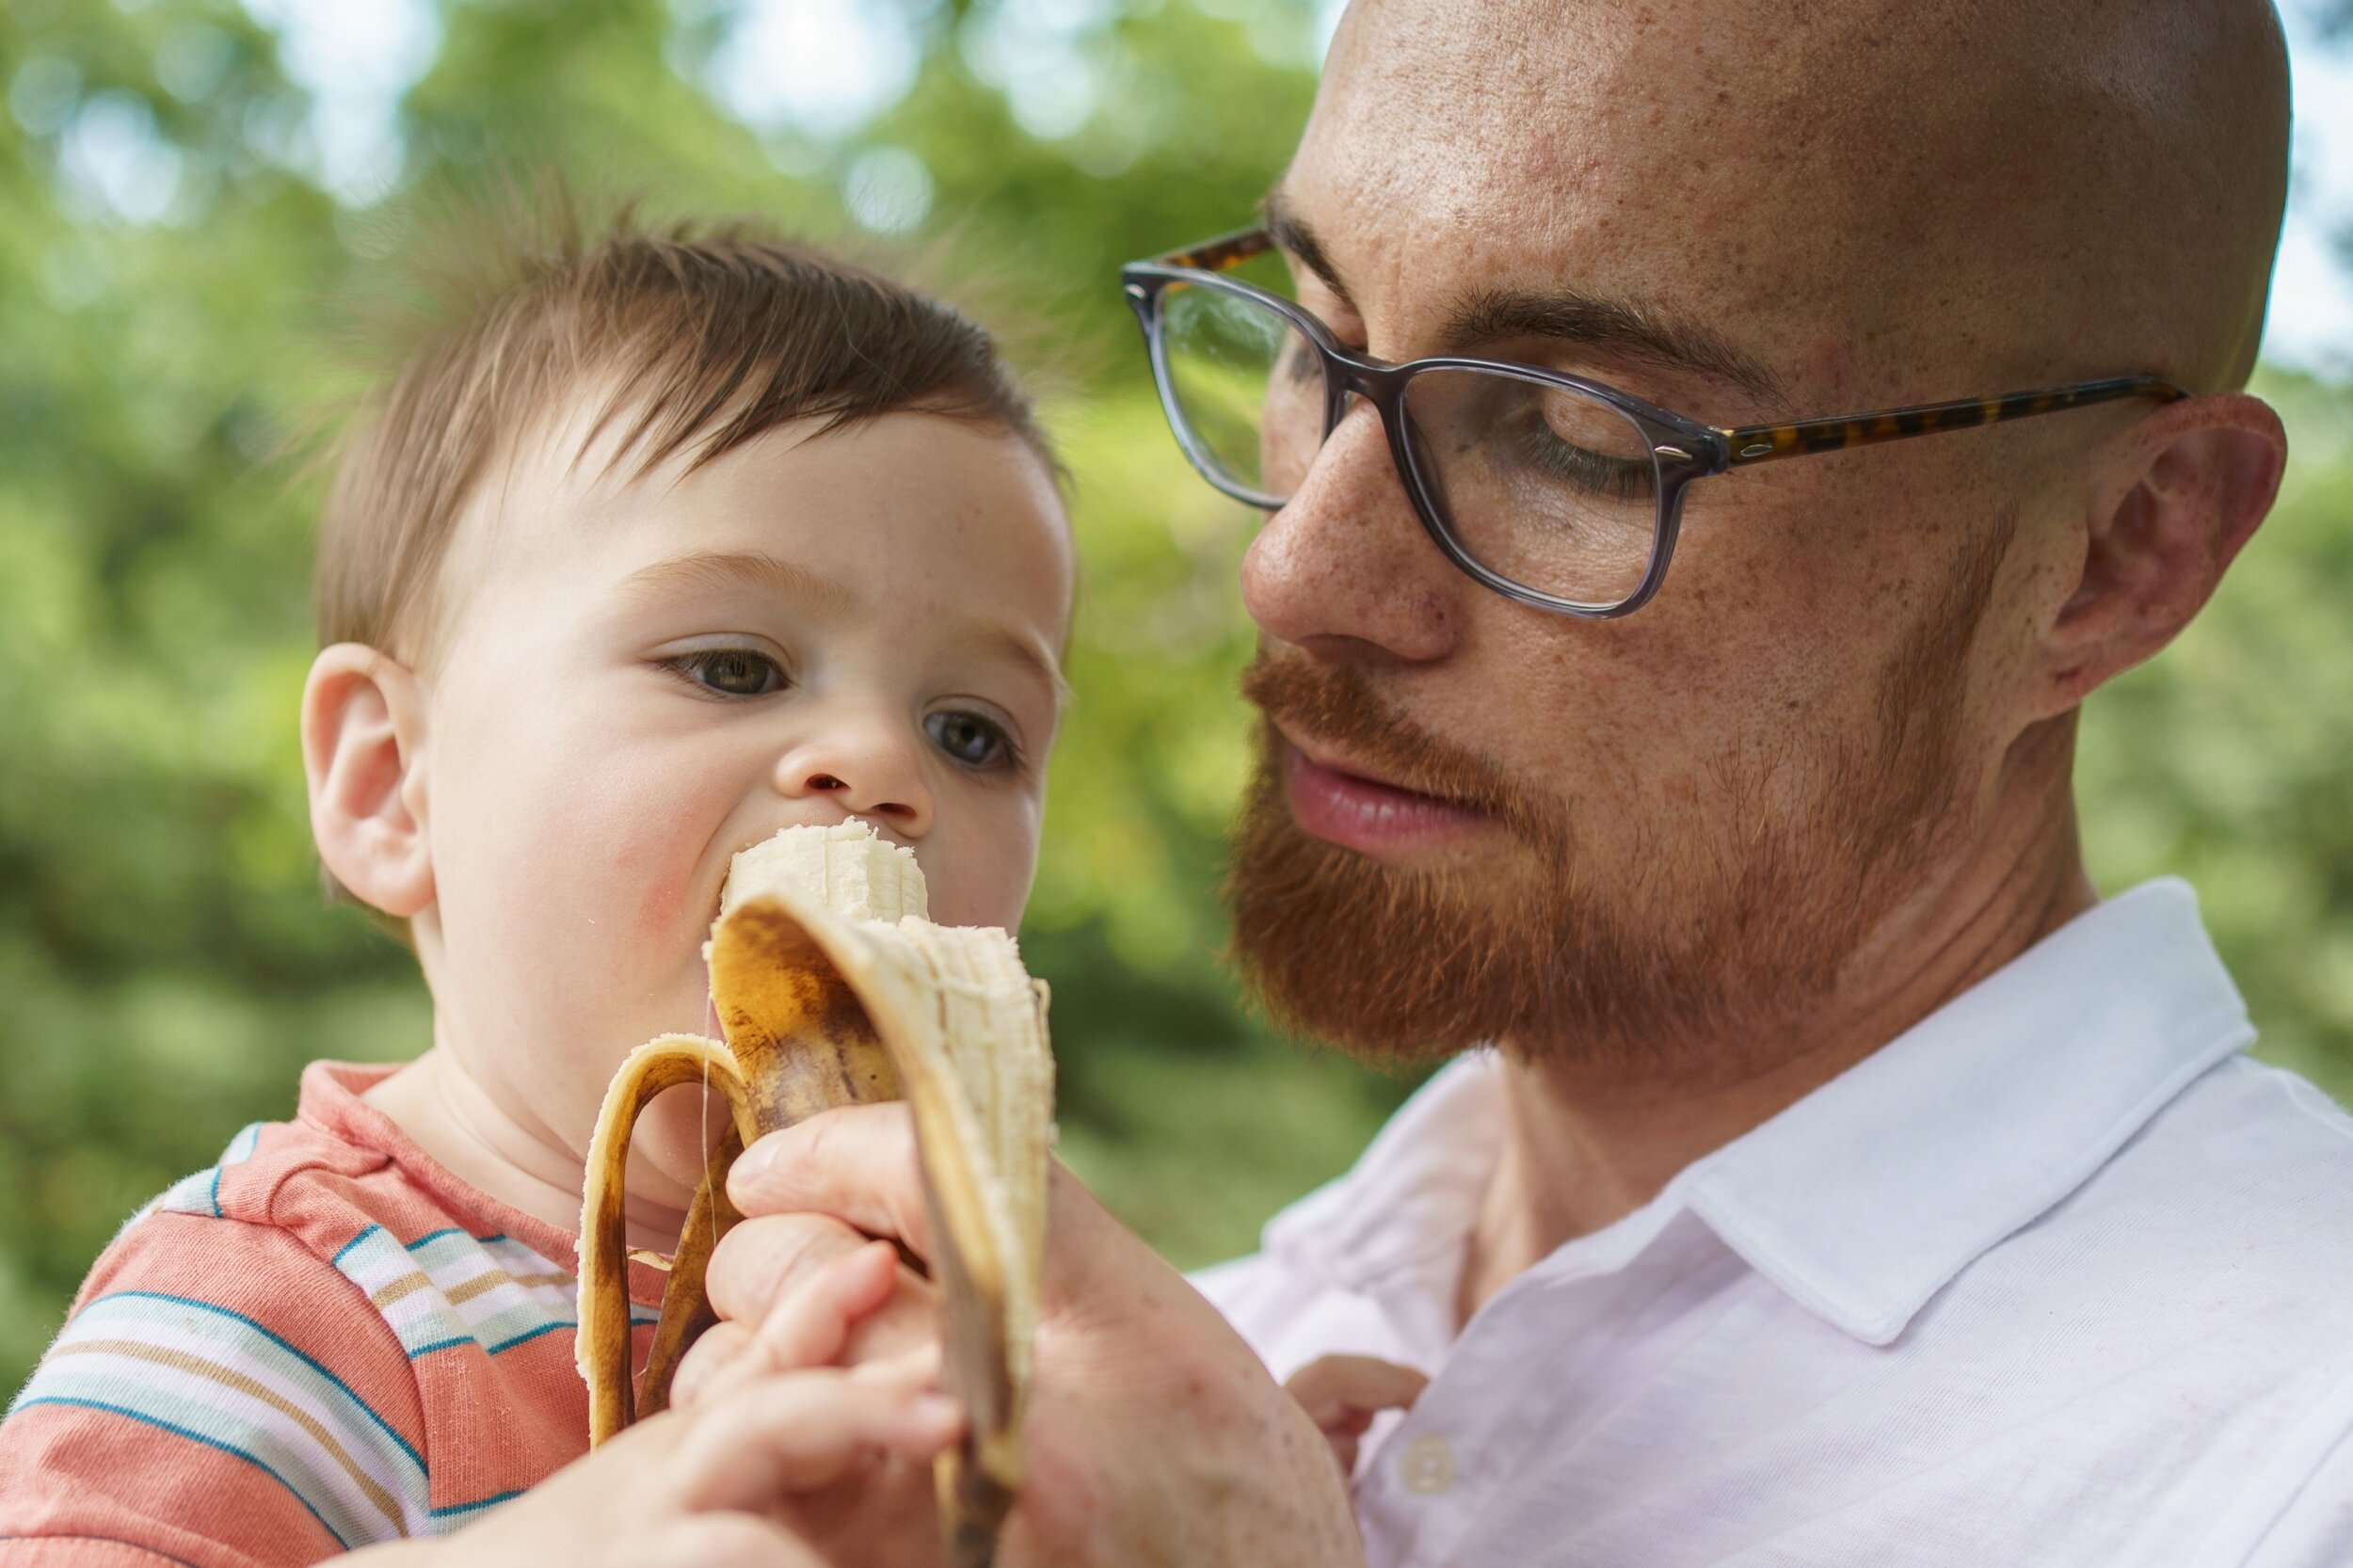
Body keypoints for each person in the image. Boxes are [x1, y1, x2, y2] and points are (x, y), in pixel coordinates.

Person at [680, 0, 2353, 1563]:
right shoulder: (1176, 1360)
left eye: (1580, 435)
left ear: (2124, 553)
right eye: (1319, 343)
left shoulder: (2290, 1457)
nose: (1297, 572)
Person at [0, 205, 1077, 1565]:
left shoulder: (976, 1311)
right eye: (734, 667)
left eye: (971, 733)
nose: (881, 765)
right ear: (394, 785)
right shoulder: (282, 1302)